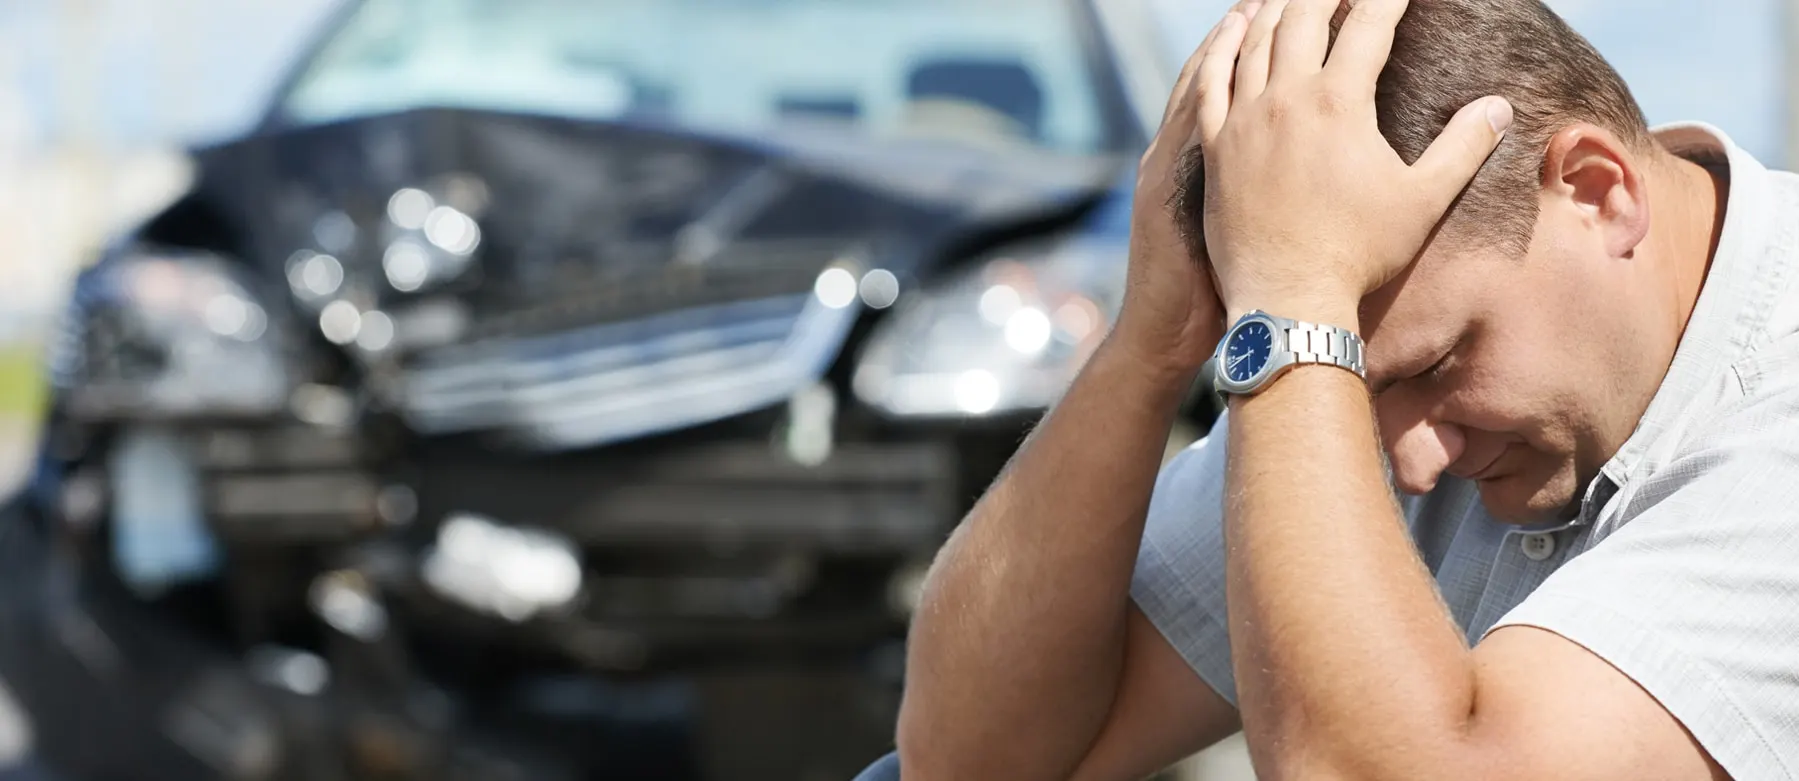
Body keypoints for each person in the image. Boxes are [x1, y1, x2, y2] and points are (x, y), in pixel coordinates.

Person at [860, 0, 1799, 778]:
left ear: (1598, 193)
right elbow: (963, 757)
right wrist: (1147, 345)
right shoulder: (1344, 351)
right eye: (1356, 393)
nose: (1408, 462)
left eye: (1438, 364)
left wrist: (1298, 314)